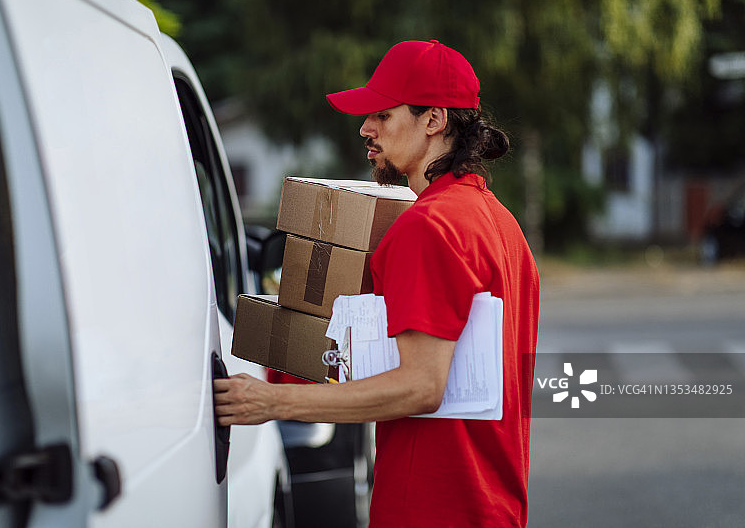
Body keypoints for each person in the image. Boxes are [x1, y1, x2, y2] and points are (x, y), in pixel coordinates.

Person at [214, 39, 540, 527]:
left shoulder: (429, 226)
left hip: (430, 509)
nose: (365, 128)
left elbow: (420, 386)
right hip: (492, 506)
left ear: (434, 120)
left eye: (383, 115)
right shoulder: (500, 223)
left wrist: (270, 401)